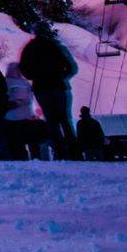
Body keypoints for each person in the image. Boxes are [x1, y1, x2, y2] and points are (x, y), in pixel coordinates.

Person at [19, 25, 79, 159]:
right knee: (64, 119)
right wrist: (60, 76)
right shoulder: (54, 47)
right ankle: (74, 151)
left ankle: (60, 151)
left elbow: (23, 68)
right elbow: (70, 67)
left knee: (51, 120)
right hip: (58, 86)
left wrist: (34, 76)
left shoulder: (29, 49)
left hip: (41, 87)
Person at [3, 62, 42, 160]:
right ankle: (35, 159)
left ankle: (21, 159)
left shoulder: (6, 82)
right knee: (31, 141)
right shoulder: (25, 82)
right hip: (26, 117)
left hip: (12, 118)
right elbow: (31, 98)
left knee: (17, 143)